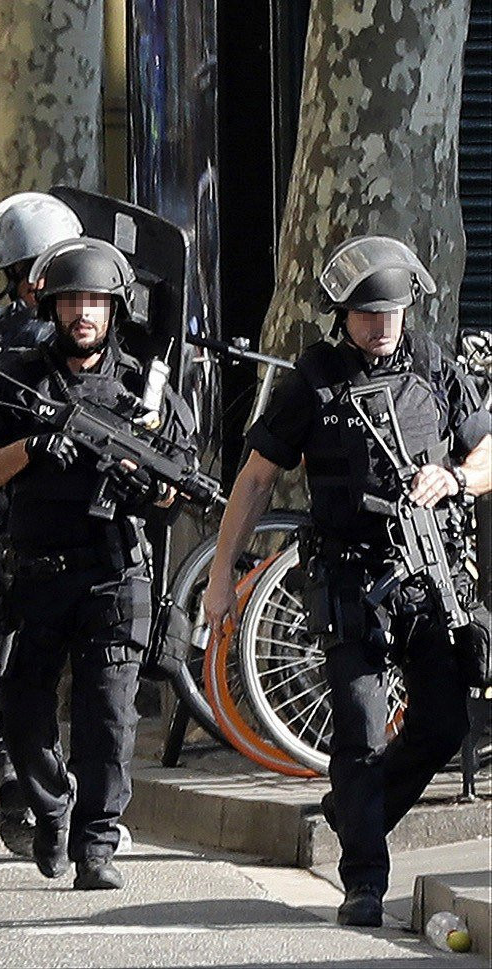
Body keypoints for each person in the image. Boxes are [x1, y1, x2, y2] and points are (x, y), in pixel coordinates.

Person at [203, 237, 492, 927]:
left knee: (443, 722)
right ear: (343, 314)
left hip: (427, 574)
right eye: (365, 312)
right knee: (359, 730)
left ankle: (350, 811)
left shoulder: (432, 367)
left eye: (389, 311)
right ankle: (362, 879)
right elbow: (253, 478)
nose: (378, 324)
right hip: (349, 578)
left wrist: (452, 475)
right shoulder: (313, 379)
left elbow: (487, 450)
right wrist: (219, 578)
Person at [0, 237, 194, 891]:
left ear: (114, 307)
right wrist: (29, 448)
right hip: (32, 574)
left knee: (107, 716)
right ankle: (51, 804)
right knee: (23, 716)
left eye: (94, 300)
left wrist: (149, 484)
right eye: (70, 300)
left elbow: (177, 485)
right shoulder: (17, 377)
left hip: (114, 574)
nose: (82, 312)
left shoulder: (142, 389)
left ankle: (95, 844)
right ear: (50, 306)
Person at [0, 190, 84, 856]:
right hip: (53, 523)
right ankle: (34, 782)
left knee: (18, 664)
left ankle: (19, 773)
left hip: (1, 525)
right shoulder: (58, 340)